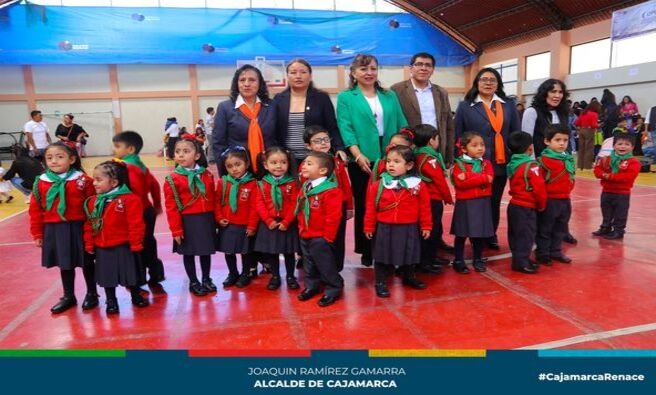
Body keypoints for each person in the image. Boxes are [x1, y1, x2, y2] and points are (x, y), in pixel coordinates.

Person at [337, 54, 408, 267]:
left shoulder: (390, 95)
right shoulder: (346, 97)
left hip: (390, 156)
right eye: (363, 69)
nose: (368, 73)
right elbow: (346, 128)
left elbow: (402, 123)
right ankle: (367, 249)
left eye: (373, 68)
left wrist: (398, 151)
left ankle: (389, 247)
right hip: (362, 158)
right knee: (365, 204)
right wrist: (357, 155)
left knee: (391, 202)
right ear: (353, 73)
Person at [454, 67, 521, 250]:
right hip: (474, 164)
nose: (488, 82)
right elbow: (458, 135)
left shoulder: (508, 105)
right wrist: (459, 161)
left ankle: (490, 234)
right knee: (474, 201)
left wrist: (517, 158)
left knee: (493, 201)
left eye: (493, 79)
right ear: (477, 82)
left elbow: (516, 134)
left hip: (500, 162)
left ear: (498, 83)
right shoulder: (466, 106)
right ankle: (474, 234)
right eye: (484, 79)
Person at [28, 142, 97, 314]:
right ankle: (68, 296)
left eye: (60, 157)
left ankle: (92, 293)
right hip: (55, 229)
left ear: (72, 159)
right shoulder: (41, 182)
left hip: (80, 227)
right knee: (64, 264)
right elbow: (35, 209)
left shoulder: (83, 180)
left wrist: (93, 231)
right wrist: (37, 232)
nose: (54, 161)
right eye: (49, 158)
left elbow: (94, 207)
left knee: (87, 263)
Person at [364, 145, 431, 298]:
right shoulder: (379, 185)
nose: (391, 165)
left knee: (409, 253)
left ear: (409, 165)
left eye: (396, 161)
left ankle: (409, 276)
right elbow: (370, 208)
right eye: (388, 161)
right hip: (385, 227)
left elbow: (425, 208)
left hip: (408, 226)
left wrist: (426, 226)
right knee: (382, 255)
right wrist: (369, 227)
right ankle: (380, 282)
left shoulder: (418, 185)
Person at [83, 160, 146, 315]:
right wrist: (89, 243)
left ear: (114, 182)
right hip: (102, 247)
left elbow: (136, 223)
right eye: (94, 179)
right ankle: (111, 300)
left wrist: (136, 243)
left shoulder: (129, 199)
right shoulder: (93, 201)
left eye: (99, 180)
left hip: (124, 245)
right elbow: (89, 224)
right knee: (106, 276)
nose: (94, 183)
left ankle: (135, 294)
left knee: (130, 274)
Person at [163, 139, 217, 297]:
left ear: (197, 155)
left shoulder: (206, 174)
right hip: (187, 221)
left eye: (186, 151)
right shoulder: (173, 180)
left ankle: (206, 278)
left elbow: (212, 197)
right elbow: (171, 207)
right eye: (177, 151)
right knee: (189, 253)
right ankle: (194, 281)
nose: (180, 155)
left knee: (205, 251)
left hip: (205, 219)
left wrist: (216, 219)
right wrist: (176, 229)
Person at [112, 131, 164, 289]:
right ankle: (156, 274)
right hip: (148, 211)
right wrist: (157, 204)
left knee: (136, 245)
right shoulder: (140, 165)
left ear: (130, 149)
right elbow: (154, 184)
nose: (114, 149)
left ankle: (138, 278)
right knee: (149, 241)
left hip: (136, 213)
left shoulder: (127, 168)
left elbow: (134, 191)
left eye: (117, 146)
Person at [300, 126, 353, 271]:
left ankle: (335, 269)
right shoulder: (305, 165)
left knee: (337, 237)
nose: (323, 143)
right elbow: (304, 189)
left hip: (337, 207)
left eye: (325, 139)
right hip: (315, 208)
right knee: (317, 240)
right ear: (308, 146)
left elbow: (346, 186)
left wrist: (349, 207)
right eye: (317, 141)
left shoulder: (337, 162)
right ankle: (316, 269)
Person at [274, 59, 345, 166]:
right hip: (287, 159)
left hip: (317, 157)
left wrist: (339, 148)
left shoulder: (321, 98)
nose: (298, 76)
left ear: (310, 76)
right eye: (293, 72)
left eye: (303, 72)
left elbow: (332, 127)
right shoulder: (279, 99)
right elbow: (275, 130)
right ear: (287, 76)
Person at [296, 151, 344, 307]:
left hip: (321, 236)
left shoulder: (331, 190)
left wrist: (328, 238)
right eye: (304, 162)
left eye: (309, 164)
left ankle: (333, 288)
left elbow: (333, 216)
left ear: (323, 170)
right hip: (306, 233)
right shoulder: (306, 186)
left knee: (325, 264)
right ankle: (312, 285)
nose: (304, 166)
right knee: (309, 263)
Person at [390, 52, 456, 165]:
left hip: (436, 148)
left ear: (433, 70)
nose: (423, 68)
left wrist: (449, 156)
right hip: (408, 148)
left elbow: (449, 125)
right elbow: (392, 121)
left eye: (428, 65)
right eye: (419, 64)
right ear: (411, 68)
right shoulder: (397, 90)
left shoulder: (441, 92)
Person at [213, 65, 277, 173]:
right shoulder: (225, 108)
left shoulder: (272, 106)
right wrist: (224, 172)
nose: (247, 84)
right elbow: (218, 143)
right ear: (236, 83)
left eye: (252, 80)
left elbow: (278, 138)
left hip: (270, 169)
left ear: (260, 83)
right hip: (238, 171)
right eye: (242, 80)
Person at [254, 147, 300, 290]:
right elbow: (259, 203)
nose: (279, 166)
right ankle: (275, 276)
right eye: (274, 162)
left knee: (289, 253)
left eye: (283, 162)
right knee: (272, 253)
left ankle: (291, 276)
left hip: (288, 223)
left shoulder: (293, 183)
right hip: (270, 224)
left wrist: (287, 221)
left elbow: (296, 203)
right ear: (266, 165)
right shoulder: (262, 184)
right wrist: (269, 221)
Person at [449, 132, 495, 274]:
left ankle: (477, 259)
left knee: (479, 234)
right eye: (474, 145)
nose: (480, 148)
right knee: (461, 234)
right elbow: (460, 183)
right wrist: (481, 177)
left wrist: (468, 176)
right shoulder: (459, 165)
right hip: (465, 203)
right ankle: (458, 260)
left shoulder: (486, 163)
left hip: (482, 203)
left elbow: (490, 179)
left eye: (482, 145)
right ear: (463, 149)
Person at [215, 146, 259, 288]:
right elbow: (217, 203)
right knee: (229, 251)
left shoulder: (253, 184)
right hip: (228, 225)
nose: (234, 169)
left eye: (238, 164)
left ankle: (245, 273)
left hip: (245, 225)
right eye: (229, 166)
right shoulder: (223, 182)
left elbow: (254, 207)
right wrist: (219, 218)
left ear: (246, 164)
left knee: (245, 252)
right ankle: (232, 273)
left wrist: (252, 225)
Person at [412, 124, 453, 273]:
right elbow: (439, 181)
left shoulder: (416, 154)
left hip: (422, 198)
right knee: (431, 230)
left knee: (431, 229)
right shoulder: (430, 159)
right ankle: (426, 262)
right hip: (432, 199)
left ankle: (432, 257)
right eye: (437, 138)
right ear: (431, 141)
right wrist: (448, 197)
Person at [506, 132, 547, 274]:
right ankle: (521, 262)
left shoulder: (512, 163)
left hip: (514, 205)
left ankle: (519, 258)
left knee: (515, 233)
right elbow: (539, 188)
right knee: (526, 235)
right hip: (527, 206)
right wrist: (542, 205)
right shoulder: (531, 166)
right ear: (530, 148)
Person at [535, 125, 575, 266]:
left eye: (565, 140)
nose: (562, 143)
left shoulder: (568, 159)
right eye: (557, 140)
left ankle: (556, 251)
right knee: (545, 229)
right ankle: (543, 253)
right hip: (550, 200)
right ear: (547, 141)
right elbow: (538, 183)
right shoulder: (543, 161)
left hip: (565, 199)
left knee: (560, 228)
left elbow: (571, 177)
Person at [592, 133, 641, 240]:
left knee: (620, 213)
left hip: (622, 193)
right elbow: (597, 170)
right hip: (606, 191)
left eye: (627, 144)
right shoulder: (606, 159)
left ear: (632, 147)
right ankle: (605, 227)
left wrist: (608, 176)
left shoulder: (633, 162)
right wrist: (604, 174)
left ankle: (619, 231)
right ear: (614, 146)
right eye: (619, 144)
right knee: (606, 210)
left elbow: (627, 177)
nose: (622, 146)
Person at [521, 79, 570, 157]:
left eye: (560, 92)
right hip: (539, 161)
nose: (557, 95)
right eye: (553, 91)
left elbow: (566, 138)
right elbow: (527, 142)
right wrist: (533, 163)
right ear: (544, 94)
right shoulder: (532, 112)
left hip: (560, 161)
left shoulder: (563, 112)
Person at [574, 101, 601, 170]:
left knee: (581, 148)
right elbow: (593, 125)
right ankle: (587, 166)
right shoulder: (594, 114)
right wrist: (599, 125)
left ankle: (580, 165)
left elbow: (577, 123)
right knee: (589, 149)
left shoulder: (583, 113)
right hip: (589, 130)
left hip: (582, 130)